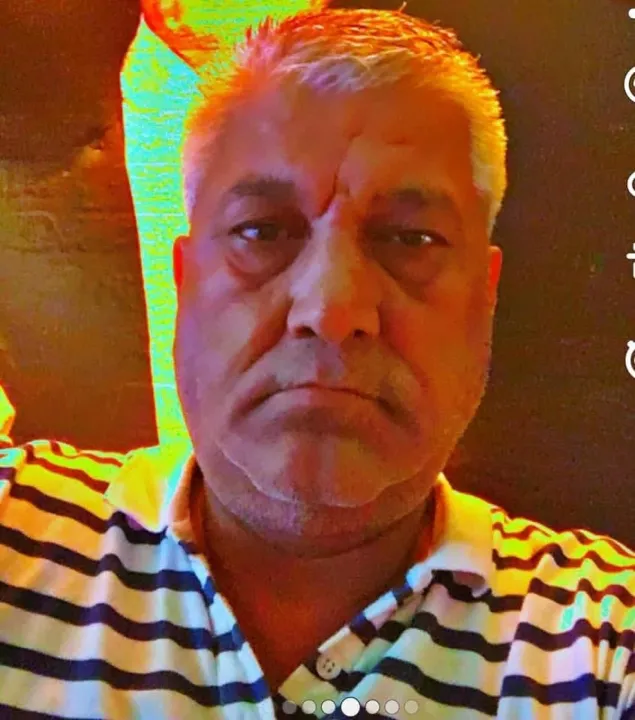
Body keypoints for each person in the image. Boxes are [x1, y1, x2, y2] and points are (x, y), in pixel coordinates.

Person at [0, 6, 633, 719]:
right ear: (185, 283)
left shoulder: (601, 644)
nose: (330, 309)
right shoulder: (16, 532)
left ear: (483, 303)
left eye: (411, 239)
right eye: (261, 231)